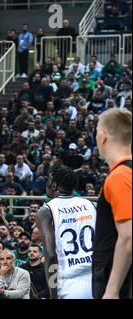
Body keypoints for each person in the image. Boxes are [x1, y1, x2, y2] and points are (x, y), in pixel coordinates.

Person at [36, 165, 96, 299]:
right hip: (98, 278)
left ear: (54, 185)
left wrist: (53, 294)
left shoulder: (46, 211)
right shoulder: (92, 205)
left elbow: (51, 255)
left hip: (70, 284)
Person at [92, 108, 132, 299]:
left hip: (119, 283)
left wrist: (112, 289)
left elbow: (128, 237)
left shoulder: (120, 176)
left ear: (103, 136)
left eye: (97, 130)